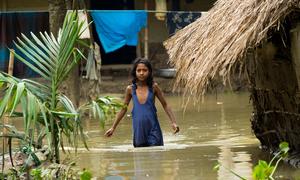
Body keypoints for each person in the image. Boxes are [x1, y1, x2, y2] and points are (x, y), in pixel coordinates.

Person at [104, 58, 180, 147]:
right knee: (140, 157)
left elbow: (165, 105)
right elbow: (123, 109)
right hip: (139, 132)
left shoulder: (154, 87)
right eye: (138, 70)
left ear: (149, 72)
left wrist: (173, 122)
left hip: (154, 131)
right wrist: (113, 127)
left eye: (144, 70)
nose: (141, 73)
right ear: (135, 72)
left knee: (156, 156)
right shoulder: (130, 89)